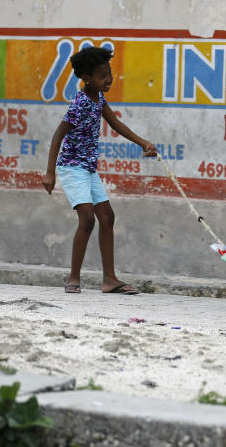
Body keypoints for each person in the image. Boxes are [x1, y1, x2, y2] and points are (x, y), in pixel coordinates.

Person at [42, 46, 158, 294]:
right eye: (101, 76)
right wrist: (50, 172)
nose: (108, 79)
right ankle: (73, 278)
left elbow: (116, 124)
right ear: (86, 79)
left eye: (109, 73)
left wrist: (144, 143)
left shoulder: (99, 99)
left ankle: (110, 280)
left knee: (107, 218)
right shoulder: (81, 103)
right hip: (72, 167)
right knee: (87, 219)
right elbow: (57, 136)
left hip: (87, 167)